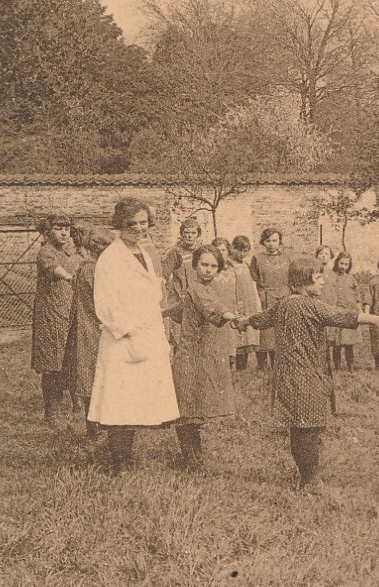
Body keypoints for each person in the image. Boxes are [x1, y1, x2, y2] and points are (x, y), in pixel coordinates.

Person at [238, 257, 379, 491]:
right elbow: (342, 316)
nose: (323, 282)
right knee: (308, 430)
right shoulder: (309, 305)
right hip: (306, 376)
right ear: (305, 280)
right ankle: (309, 480)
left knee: (300, 428)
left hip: (289, 377)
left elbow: (262, 318)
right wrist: (375, 319)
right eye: (318, 277)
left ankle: (307, 476)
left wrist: (245, 320)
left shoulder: (283, 304)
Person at [89, 198, 182, 475]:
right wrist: (129, 330)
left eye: (143, 223)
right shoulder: (110, 258)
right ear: (120, 225)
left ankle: (126, 458)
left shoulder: (143, 251)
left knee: (137, 401)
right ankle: (119, 463)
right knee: (119, 403)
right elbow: (104, 302)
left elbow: (152, 290)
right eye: (132, 224)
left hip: (148, 330)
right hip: (124, 338)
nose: (139, 229)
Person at [171, 244, 241, 471]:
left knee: (196, 406)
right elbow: (211, 308)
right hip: (191, 354)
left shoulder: (210, 288)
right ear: (195, 265)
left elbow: (182, 310)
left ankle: (194, 453)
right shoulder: (197, 289)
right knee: (188, 406)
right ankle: (189, 456)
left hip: (203, 355)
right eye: (204, 265)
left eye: (214, 266)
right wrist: (231, 316)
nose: (209, 270)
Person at [63, 227, 116, 441]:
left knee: (93, 376)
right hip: (91, 327)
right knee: (92, 378)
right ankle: (95, 430)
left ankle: (98, 427)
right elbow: (103, 302)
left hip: (89, 325)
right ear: (99, 248)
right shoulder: (93, 270)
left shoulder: (90, 268)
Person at [32, 214, 84, 428]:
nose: (63, 232)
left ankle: (77, 404)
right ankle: (51, 410)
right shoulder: (46, 252)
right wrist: (72, 277)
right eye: (58, 228)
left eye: (67, 228)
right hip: (50, 315)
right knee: (51, 361)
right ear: (49, 230)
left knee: (72, 358)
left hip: (71, 312)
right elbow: (54, 269)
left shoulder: (74, 253)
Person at [249, 227, 291, 370]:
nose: (271, 244)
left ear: (279, 242)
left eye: (275, 240)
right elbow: (253, 280)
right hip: (265, 297)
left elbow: (292, 278)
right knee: (264, 331)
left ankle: (277, 363)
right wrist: (256, 298)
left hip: (284, 296)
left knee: (280, 330)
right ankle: (262, 365)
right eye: (268, 241)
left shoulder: (287, 258)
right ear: (263, 242)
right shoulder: (257, 258)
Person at [323, 252, 361, 371]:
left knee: (349, 343)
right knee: (336, 343)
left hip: (348, 312)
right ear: (337, 262)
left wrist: (359, 309)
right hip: (336, 312)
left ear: (349, 266)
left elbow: (357, 294)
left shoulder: (351, 278)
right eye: (341, 263)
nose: (343, 266)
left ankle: (351, 366)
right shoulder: (332, 276)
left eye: (346, 264)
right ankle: (338, 367)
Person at [228, 236, 261, 371]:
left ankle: (243, 367)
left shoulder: (246, 264)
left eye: (246, 251)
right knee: (237, 335)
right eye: (240, 251)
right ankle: (233, 365)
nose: (243, 254)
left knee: (247, 335)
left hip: (248, 303)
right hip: (237, 302)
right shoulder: (228, 264)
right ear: (233, 248)